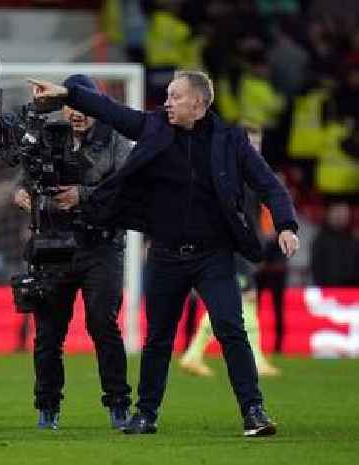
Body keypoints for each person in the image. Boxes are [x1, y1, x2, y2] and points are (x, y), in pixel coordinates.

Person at [29, 70, 300, 437]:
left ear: (199, 104)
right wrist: (67, 94)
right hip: (166, 254)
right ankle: (146, 414)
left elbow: (268, 183)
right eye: (168, 96)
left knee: (231, 329)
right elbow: (110, 110)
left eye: (175, 97)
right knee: (158, 337)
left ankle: (253, 411)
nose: (166, 103)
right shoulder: (155, 127)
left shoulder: (231, 140)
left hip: (213, 255)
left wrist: (286, 225)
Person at [13, 75, 134, 431]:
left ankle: (118, 405)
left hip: (101, 245)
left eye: (83, 106)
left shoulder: (115, 140)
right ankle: (47, 409)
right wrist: (21, 193)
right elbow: (27, 178)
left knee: (102, 324)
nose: (76, 113)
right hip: (54, 243)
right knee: (48, 333)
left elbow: (126, 189)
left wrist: (83, 194)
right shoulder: (48, 136)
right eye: (70, 105)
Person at [180, 124, 281, 377]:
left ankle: (196, 354)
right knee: (240, 300)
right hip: (232, 247)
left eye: (258, 144)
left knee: (239, 301)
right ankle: (247, 358)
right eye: (251, 144)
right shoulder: (231, 173)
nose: (255, 149)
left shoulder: (249, 172)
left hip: (242, 247)